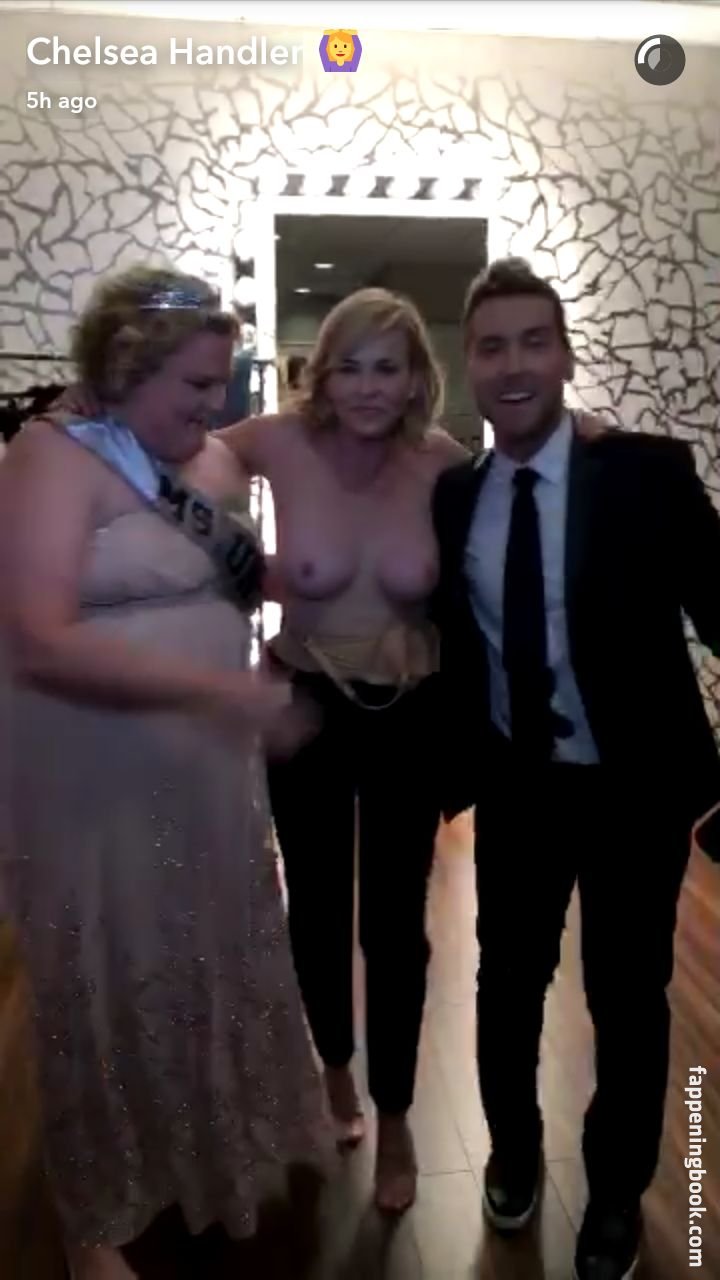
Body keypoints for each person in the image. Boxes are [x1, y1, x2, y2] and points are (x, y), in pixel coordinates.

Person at [0, 265, 330, 1280]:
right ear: (121, 367)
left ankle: (199, 1150)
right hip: (90, 769)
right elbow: (37, 638)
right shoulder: (52, 457)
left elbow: (224, 578)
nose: (213, 404)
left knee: (199, 953)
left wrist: (281, 587)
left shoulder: (208, 462)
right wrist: (219, 693)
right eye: (193, 383)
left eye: (219, 381)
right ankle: (93, 1216)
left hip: (204, 768)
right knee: (99, 976)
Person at [430, 257, 720, 1280]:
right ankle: (512, 1151)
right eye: (492, 346)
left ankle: (615, 1192)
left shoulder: (646, 473)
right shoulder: (454, 496)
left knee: (629, 995)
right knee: (505, 983)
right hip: (518, 785)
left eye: (533, 342)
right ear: (470, 364)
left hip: (635, 788)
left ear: (563, 355)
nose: (513, 365)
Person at [218, 288, 470, 1214]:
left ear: (415, 379)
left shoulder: (445, 460)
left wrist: (594, 436)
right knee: (316, 909)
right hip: (308, 703)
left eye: (386, 367)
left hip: (410, 715)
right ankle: (333, 1073)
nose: (367, 387)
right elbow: (171, 453)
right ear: (321, 375)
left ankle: (396, 1114)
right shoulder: (276, 441)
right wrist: (239, 564)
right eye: (349, 366)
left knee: (395, 927)